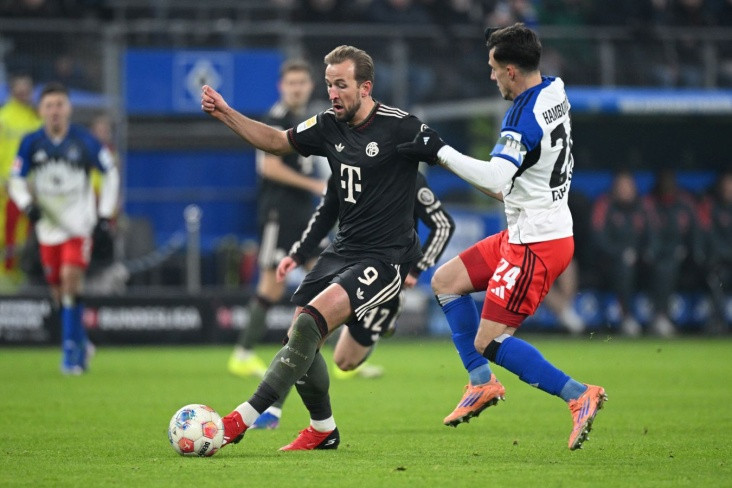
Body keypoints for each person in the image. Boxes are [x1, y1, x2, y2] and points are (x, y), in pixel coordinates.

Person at [201, 45, 427, 451]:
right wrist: (226, 113)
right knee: (299, 337)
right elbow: (276, 143)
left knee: (308, 326)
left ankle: (240, 419)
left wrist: (500, 180)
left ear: (365, 87)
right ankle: (323, 428)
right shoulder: (327, 125)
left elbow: (447, 156)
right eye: (329, 85)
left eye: (341, 85)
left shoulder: (400, 127)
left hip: (385, 257)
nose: (332, 93)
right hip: (341, 249)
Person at [396, 23, 606, 451]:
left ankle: (579, 394)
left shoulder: (522, 117)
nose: (491, 76)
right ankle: (480, 383)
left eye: (493, 68)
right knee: (446, 281)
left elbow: (495, 178)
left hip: (536, 242)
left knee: (489, 340)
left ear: (511, 70)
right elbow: (505, 182)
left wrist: (438, 151)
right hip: (532, 226)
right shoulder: (554, 89)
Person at [251, 171, 456, 429]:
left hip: (383, 272)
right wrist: (300, 254)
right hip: (343, 262)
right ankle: (273, 410)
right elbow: (326, 212)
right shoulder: (343, 161)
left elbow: (443, 225)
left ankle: (384, 314)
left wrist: (416, 269)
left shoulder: (406, 173)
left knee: (345, 361)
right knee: (302, 332)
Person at [8, 82, 119, 375]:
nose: (55, 111)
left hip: (79, 225)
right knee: (58, 289)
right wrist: (26, 205)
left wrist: (104, 215)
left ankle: (70, 352)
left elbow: (110, 174)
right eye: (49, 106)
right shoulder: (31, 142)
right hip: (48, 228)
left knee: (71, 279)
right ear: (41, 110)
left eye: (59, 105)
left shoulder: (84, 140)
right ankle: (82, 340)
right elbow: (16, 179)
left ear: (68, 108)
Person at [227, 59, 327, 379]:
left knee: (326, 279)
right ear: (281, 87)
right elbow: (269, 168)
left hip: (305, 213)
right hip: (278, 213)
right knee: (272, 284)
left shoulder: (308, 119)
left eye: (302, 83)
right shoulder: (275, 119)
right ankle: (242, 353)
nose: (297, 89)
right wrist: (315, 185)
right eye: (291, 83)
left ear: (310, 87)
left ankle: (340, 356)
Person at [592, 170, 655, 336]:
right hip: (610, 262)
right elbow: (598, 238)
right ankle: (626, 317)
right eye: (621, 186)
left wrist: (646, 252)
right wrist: (620, 253)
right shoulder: (605, 205)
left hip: (640, 260)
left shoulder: (643, 206)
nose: (624, 190)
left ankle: (660, 316)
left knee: (663, 264)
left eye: (628, 186)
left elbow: (652, 235)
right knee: (624, 266)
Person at [644, 169, 703, 337]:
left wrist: (694, 252)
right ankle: (661, 315)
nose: (667, 185)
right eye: (664, 181)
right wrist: (657, 251)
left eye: (670, 181)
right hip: (657, 258)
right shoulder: (649, 203)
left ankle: (716, 318)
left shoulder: (685, 203)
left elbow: (696, 233)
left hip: (686, 258)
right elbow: (649, 235)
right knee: (665, 267)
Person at [0, 73, 42, 274]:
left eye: (28, 87)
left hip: (31, 185)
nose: (25, 91)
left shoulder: (36, 119)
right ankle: (7, 271)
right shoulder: (4, 118)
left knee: (28, 230)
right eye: (21, 87)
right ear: (12, 90)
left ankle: (24, 270)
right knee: (7, 228)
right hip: (8, 185)